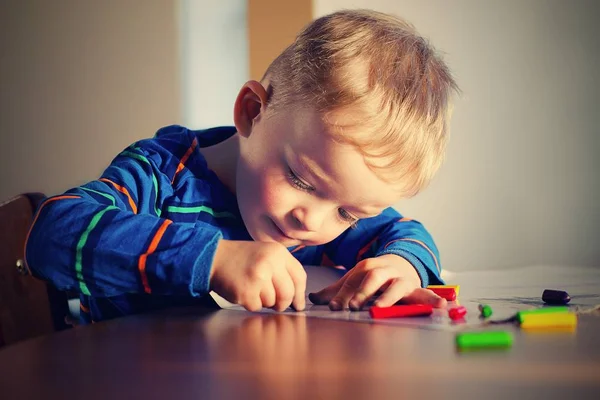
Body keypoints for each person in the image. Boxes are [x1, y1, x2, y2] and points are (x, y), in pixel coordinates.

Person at [25, 9, 459, 324]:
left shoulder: (321, 208)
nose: (311, 221)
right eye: (300, 180)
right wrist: (212, 258)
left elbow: (402, 232)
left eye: (349, 214)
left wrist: (403, 264)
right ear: (252, 111)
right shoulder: (160, 174)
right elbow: (51, 233)